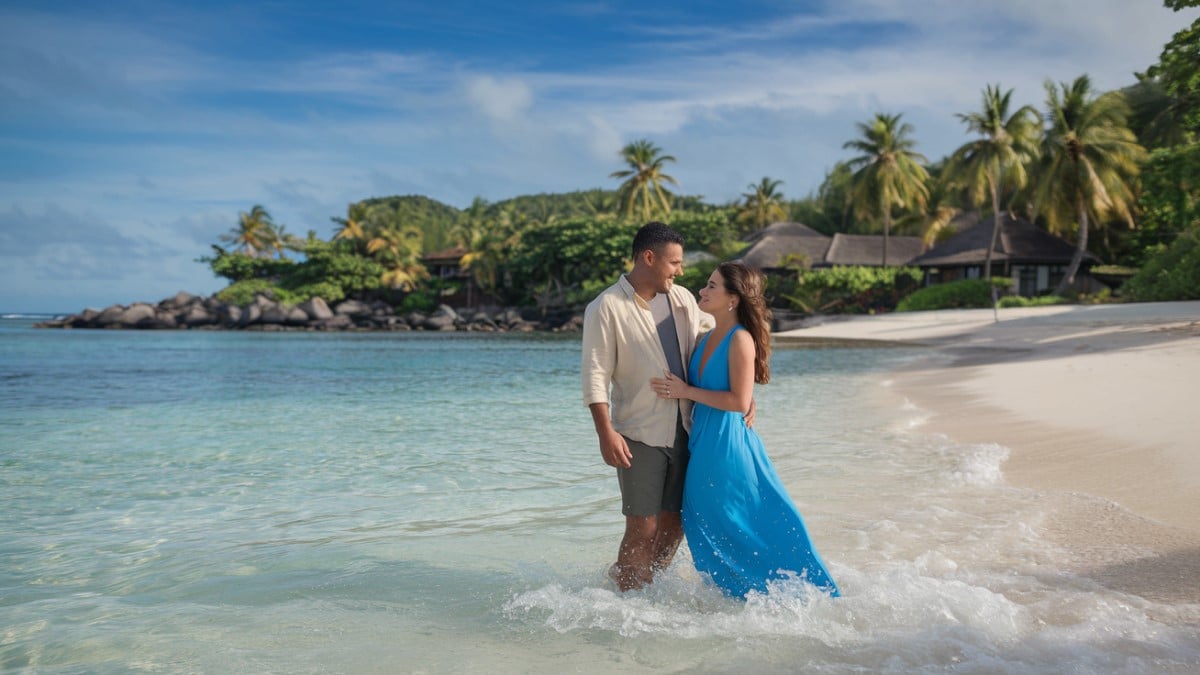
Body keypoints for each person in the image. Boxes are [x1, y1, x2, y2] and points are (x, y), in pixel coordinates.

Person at [650, 261, 840, 598]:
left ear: (734, 299)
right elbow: (739, 395)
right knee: (705, 523)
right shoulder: (706, 337)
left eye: (712, 286)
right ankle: (738, 597)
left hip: (726, 447)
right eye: (705, 285)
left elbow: (738, 401)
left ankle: (783, 593)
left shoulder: (741, 341)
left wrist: (686, 391)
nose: (702, 291)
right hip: (704, 444)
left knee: (736, 521)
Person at [581, 222, 711, 592]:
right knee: (644, 525)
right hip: (638, 432)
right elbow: (595, 374)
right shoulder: (606, 307)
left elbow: (716, 337)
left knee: (675, 522)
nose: (680, 271)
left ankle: (645, 584)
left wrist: (744, 391)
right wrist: (605, 433)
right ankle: (627, 598)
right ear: (649, 258)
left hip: (686, 429)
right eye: (675, 263)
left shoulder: (683, 299)